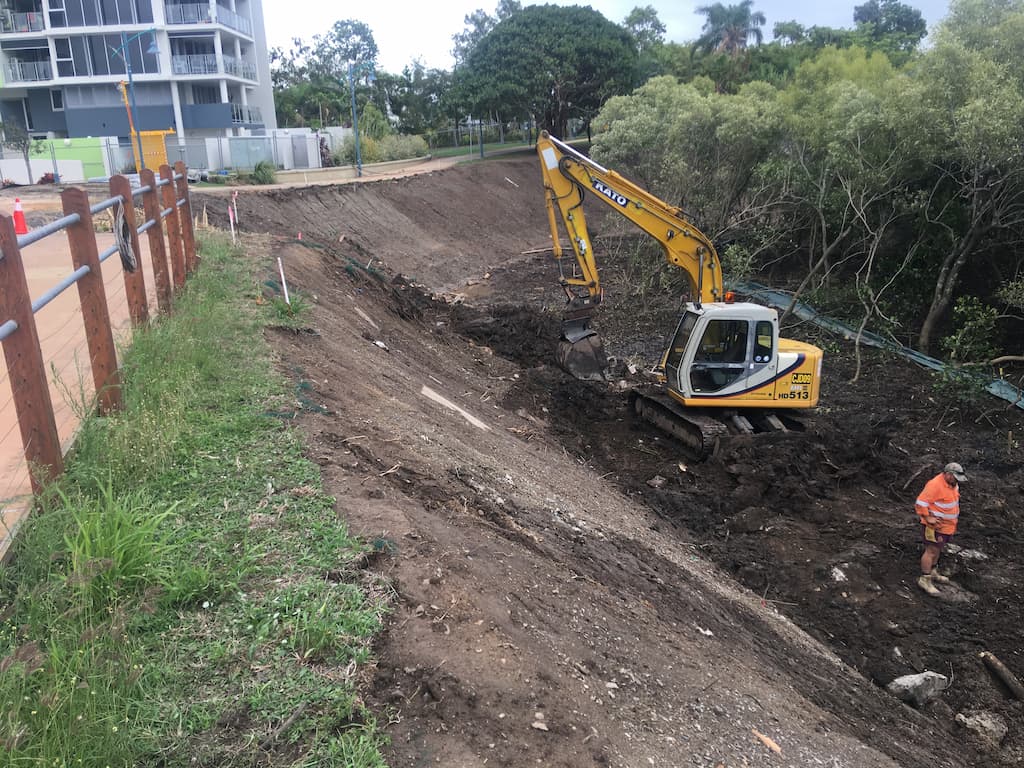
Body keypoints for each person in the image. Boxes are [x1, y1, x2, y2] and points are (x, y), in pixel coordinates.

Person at [914, 462, 967, 595]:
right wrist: (927, 517)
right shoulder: (934, 485)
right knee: (931, 550)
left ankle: (933, 571)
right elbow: (920, 503)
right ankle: (924, 579)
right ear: (948, 474)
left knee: (937, 549)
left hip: (946, 526)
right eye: (955, 477)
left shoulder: (953, 485)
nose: (956, 481)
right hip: (933, 526)